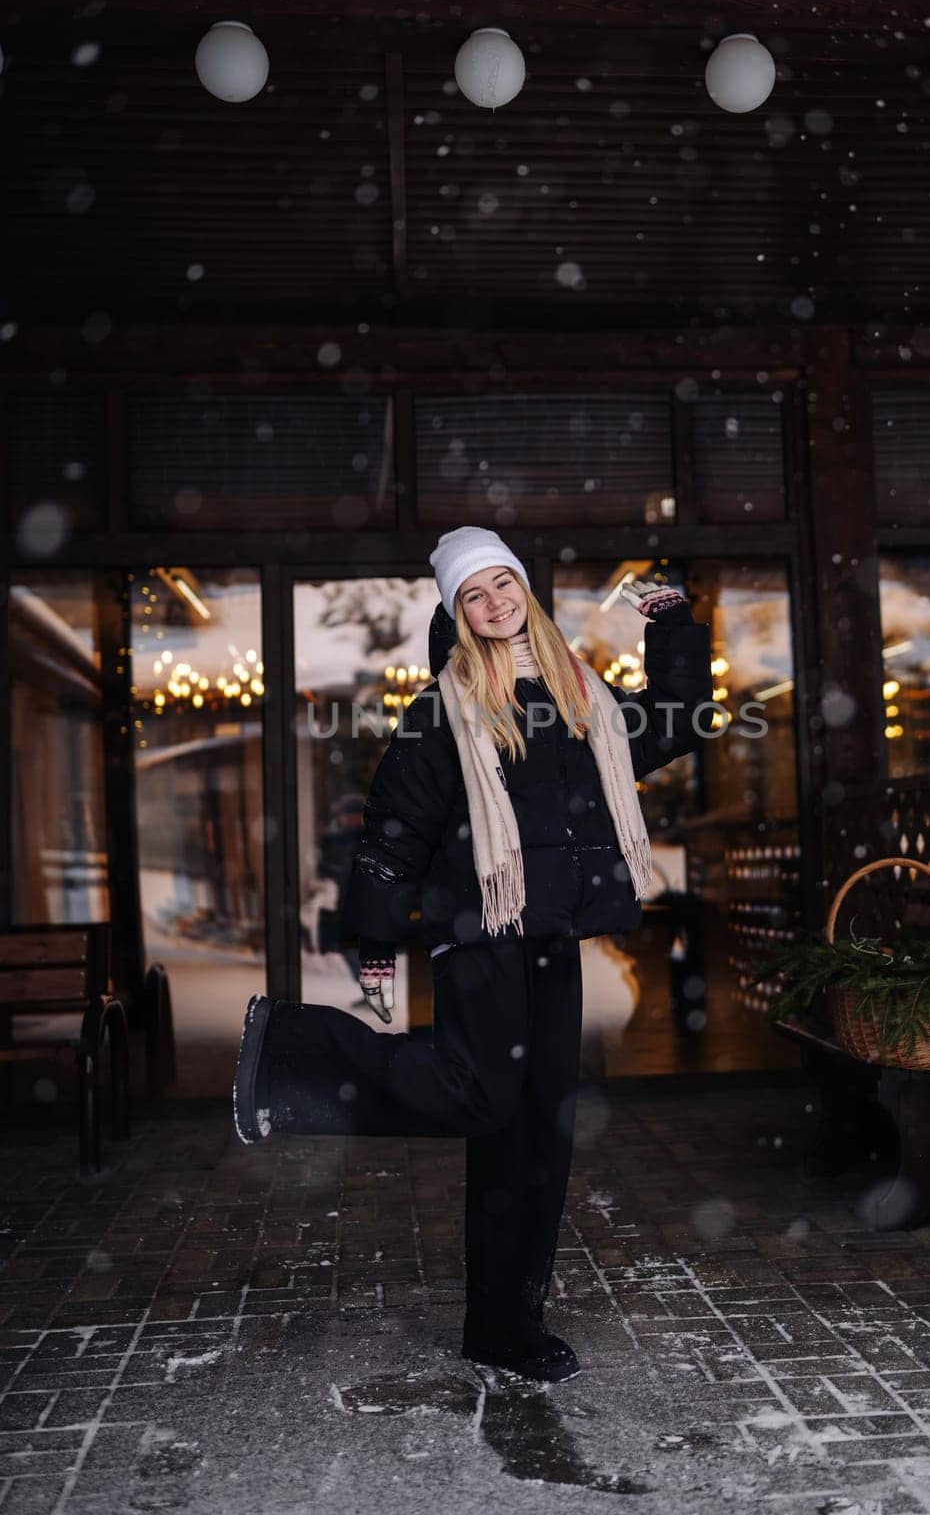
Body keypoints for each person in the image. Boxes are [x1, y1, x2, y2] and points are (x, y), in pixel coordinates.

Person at [232, 526, 711, 1383]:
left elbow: (675, 727)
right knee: (481, 1095)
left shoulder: (579, 703)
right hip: (476, 935)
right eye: (473, 597)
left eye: (502, 587)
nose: (493, 607)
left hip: (548, 941)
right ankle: (291, 1054)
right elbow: (393, 834)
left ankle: (502, 1324)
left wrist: (672, 626)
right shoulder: (441, 711)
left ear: (523, 592)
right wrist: (374, 947)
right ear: (456, 614)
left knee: (535, 1135)